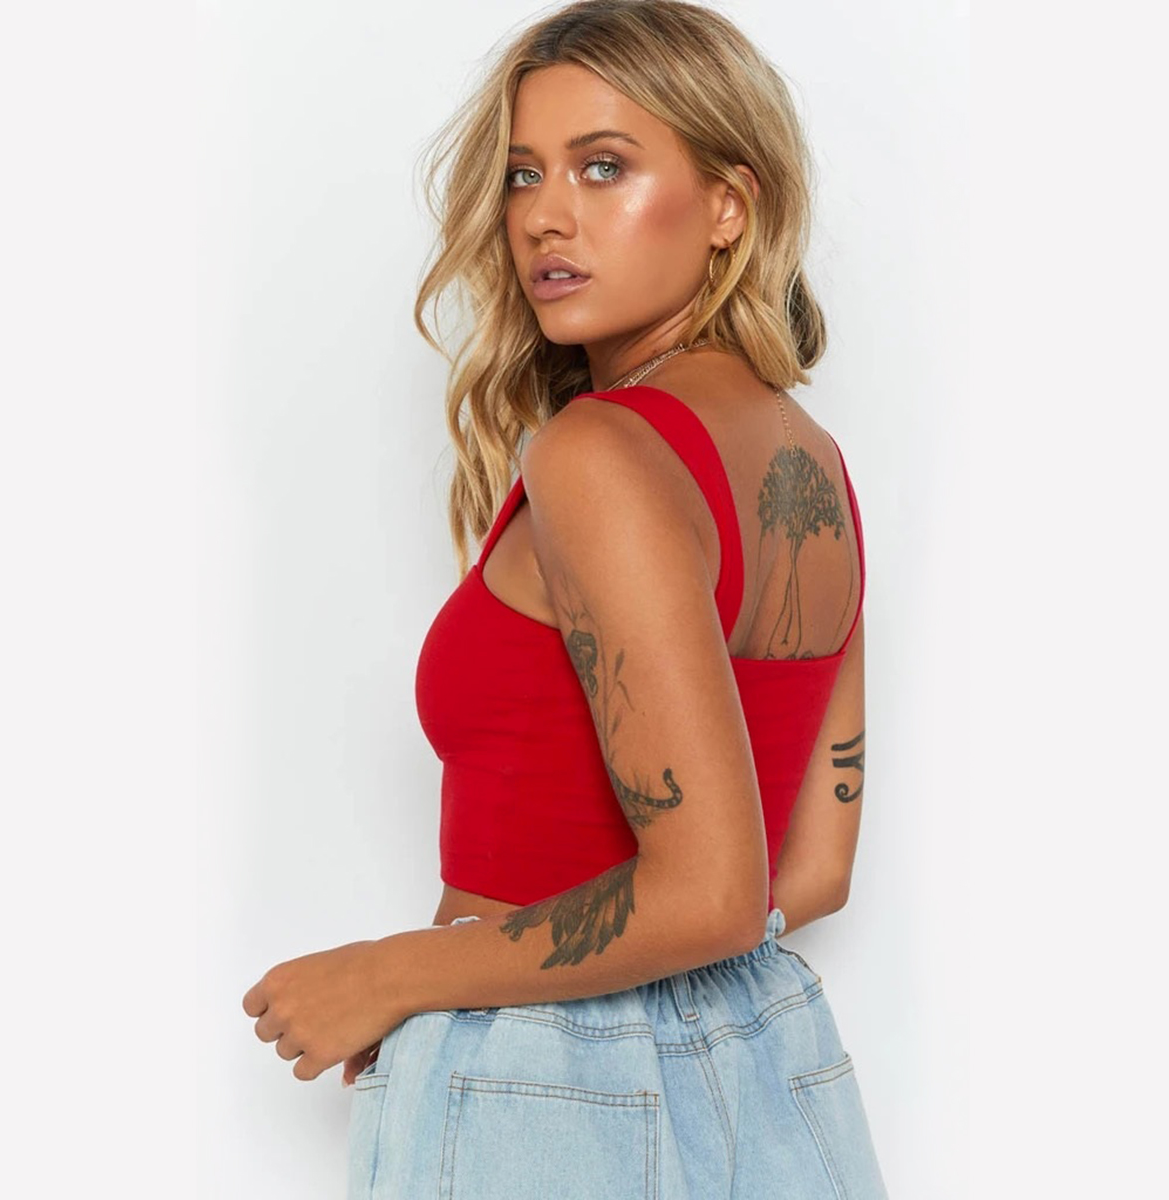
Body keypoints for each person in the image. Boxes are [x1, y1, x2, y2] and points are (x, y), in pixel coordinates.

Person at [243, 2, 889, 1196]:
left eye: (604, 167)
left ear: (729, 205)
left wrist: (394, 975)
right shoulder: (813, 463)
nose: (545, 214)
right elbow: (809, 874)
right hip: (767, 1060)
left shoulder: (599, 453)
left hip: (537, 1083)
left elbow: (709, 892)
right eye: (523, 173)